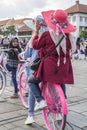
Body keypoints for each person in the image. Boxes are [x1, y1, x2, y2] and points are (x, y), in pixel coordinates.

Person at [28, 9, 76, 112]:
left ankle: (40, 101)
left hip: (49, 68)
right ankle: (62, 106)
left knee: (31, 81)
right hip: (64, 67)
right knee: (60, 81)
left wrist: (36, 31)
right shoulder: (68, 37)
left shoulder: (47, 34)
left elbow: (35, 45)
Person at [19, 15, 49, 125]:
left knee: (32, 88)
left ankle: (30, 115)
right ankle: (60, 112)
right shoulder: (50, 36)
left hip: (36, 67)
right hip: (49, 67)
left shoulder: (35, 38)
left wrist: (21, 54)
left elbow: (27, 54)